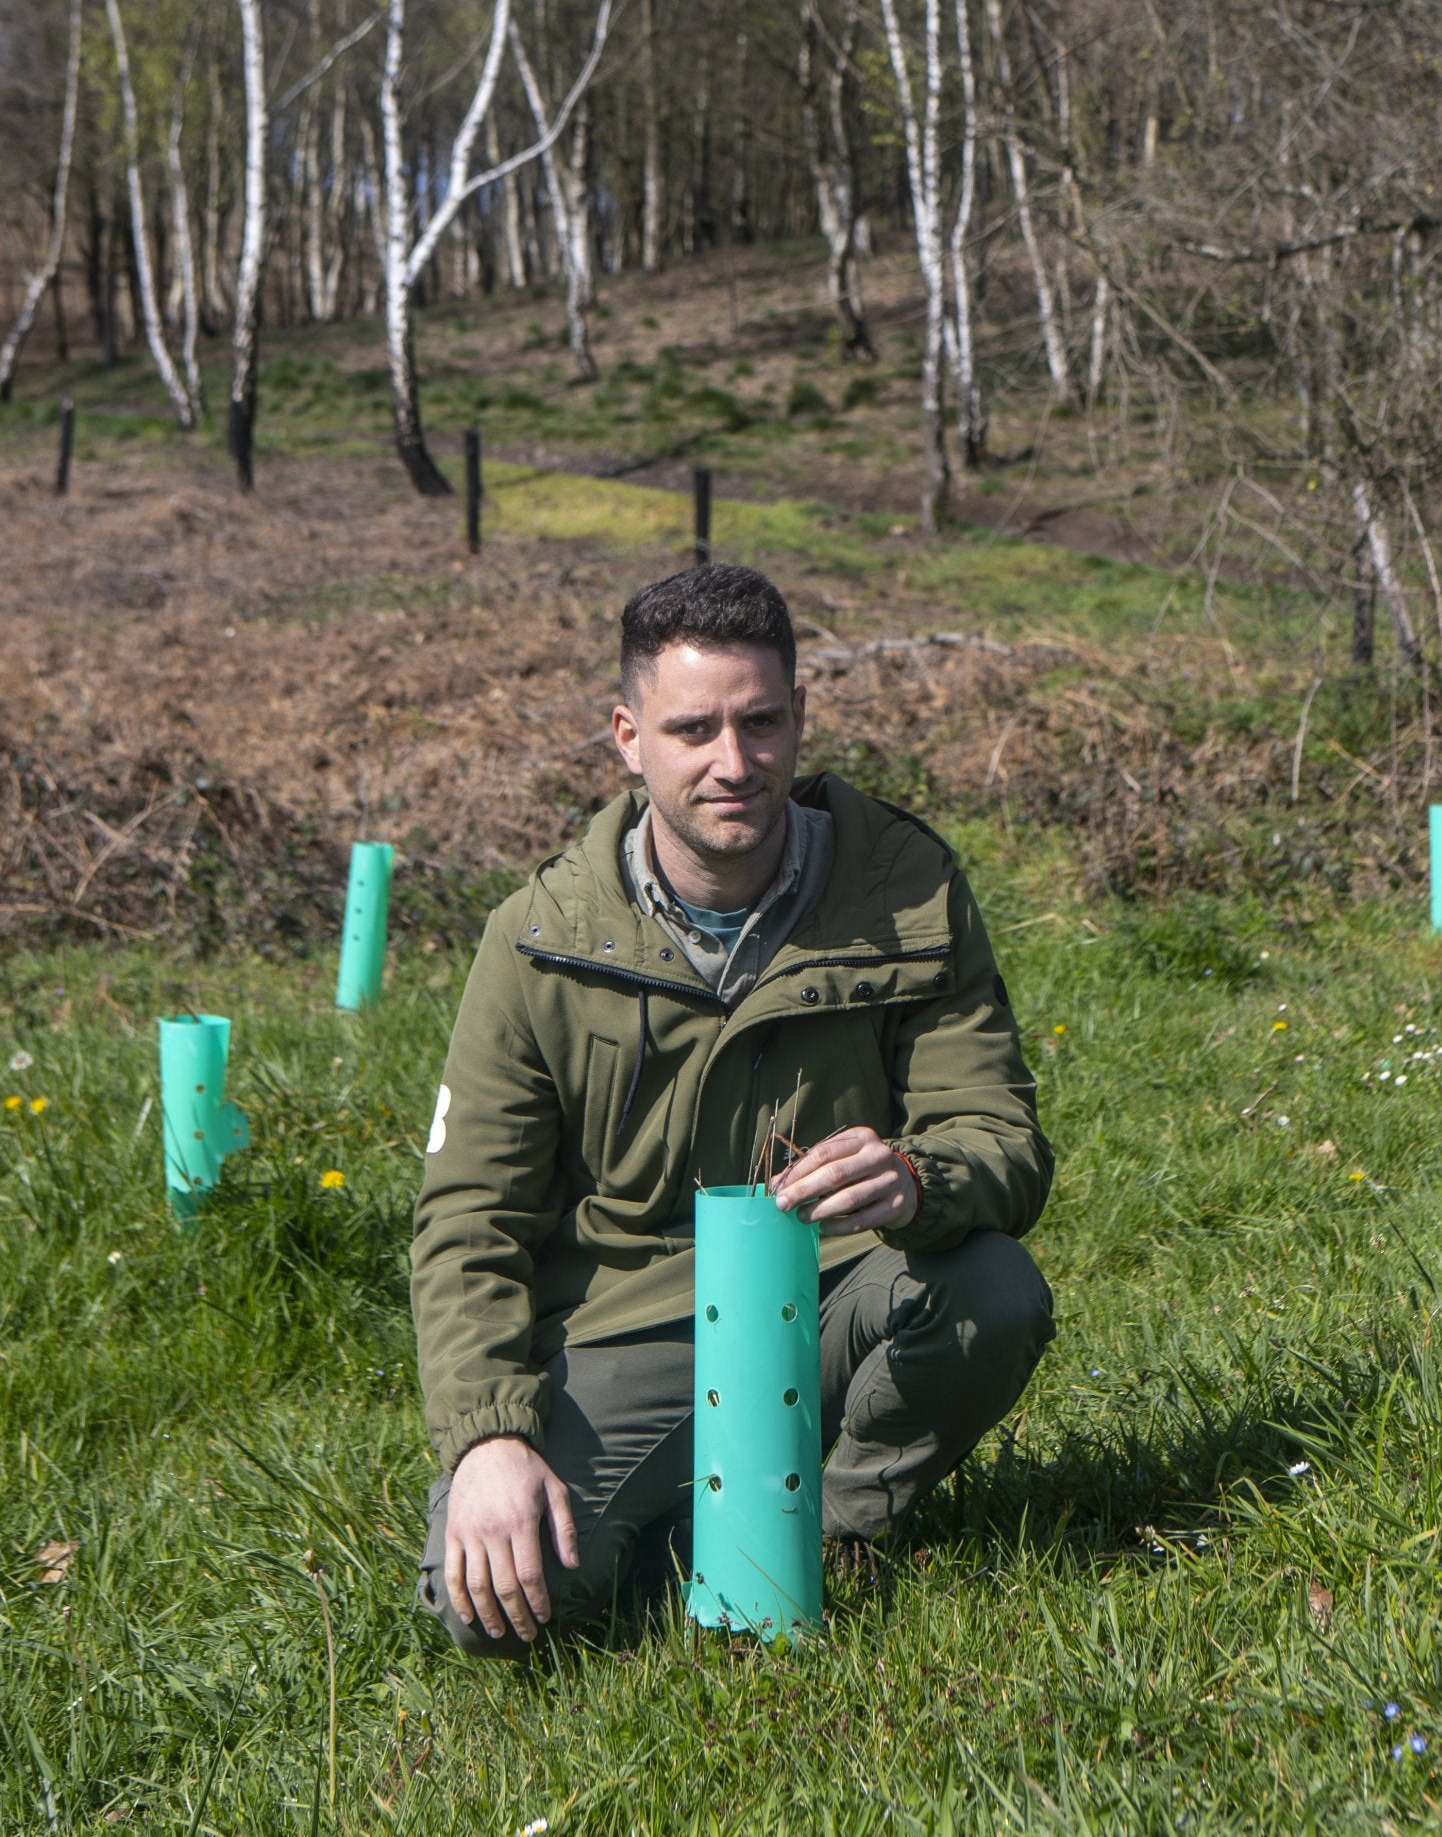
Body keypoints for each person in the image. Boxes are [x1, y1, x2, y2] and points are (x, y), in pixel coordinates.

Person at [412, 561, 1055, 1654]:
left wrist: (916, 1177)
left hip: (837, 1280)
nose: (733, 763)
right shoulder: (536, 940)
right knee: (490, 1615)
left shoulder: (905, 888)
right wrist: (487, 1440)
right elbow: (469, 1218)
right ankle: (688, 1531)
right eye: (693, 729)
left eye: (761, 723)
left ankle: (843, 1522)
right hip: (626, 1323)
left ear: (801, 717)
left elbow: (1001, 1136)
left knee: (994, 1288)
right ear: (628, 735)